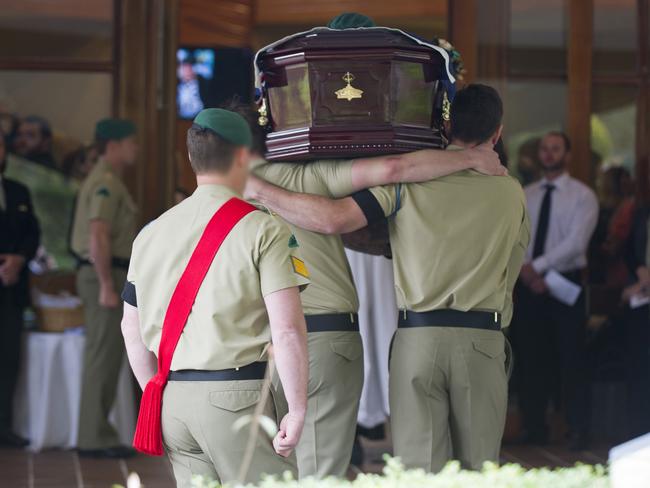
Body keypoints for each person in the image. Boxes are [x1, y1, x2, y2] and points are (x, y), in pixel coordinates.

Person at [247, 84, 529, 471]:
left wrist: (260, 189)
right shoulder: (511, 192)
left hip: (418, 339)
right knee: (481, 469)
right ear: (497, 133)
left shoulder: (407, 184)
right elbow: (512, 265)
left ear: (445, 125)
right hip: (483, 338)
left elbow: (335, 219)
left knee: (417, 469)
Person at [120, 108, 309, 486]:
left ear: (191, 158)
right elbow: (286, 329)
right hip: (235, 398)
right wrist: (298, 408)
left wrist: (154, 393)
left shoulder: (150, 233)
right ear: (243, 157)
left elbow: (131, 327)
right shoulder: (263, 228)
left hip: (173, 400)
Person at [511, 131, 599, 450]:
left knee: (571, 359)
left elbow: (576, 243)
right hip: (529, 284)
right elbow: (515, 234)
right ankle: (534, 428)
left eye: (555, 149)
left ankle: (577, 430)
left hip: (566, 283)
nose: (548, 154)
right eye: (545, 149)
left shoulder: (582, 195)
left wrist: (540, 266)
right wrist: (526, 269)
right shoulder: (527, 193)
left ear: (568, 154)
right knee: (531, 358)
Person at [70, 118, 139, 458]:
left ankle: (96, 432)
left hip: (109, 273)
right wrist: (106, 286)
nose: (135, 149)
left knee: (107, 355)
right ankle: (93, 436)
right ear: (113, 145)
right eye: (131, 142)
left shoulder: (108, 181)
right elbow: (97, 235)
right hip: (104, 273)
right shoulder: (105, 183)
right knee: (103, 355)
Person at [0, 127, 40, 447]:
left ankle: (5, 428)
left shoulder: (18, 191)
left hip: (11, 290)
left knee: (9, 360)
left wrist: (18, 259)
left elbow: (32, 234)